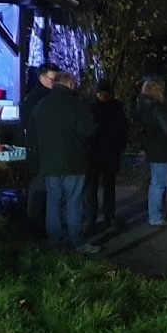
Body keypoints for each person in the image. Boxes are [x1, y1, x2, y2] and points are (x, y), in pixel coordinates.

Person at [33, 72, 98, 253]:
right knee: (73, 201)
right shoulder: (77, 105)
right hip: (74, 161)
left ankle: (54, 240)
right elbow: (89, 130)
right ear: (69, 84)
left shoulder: (42, 106)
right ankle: (76, 241)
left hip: (50, 162)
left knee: (53, 201)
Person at [20, 62, 60, 233]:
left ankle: (42, 226)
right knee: (39, 190)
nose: (55, 82)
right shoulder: (36, 100)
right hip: (39, 151)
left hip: (46, 150)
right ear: (42, 77)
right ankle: (35, 227)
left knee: (45, 191)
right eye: (53, 79)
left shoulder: (45, 97)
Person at [87, 79, 130, 230]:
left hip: (107, 151)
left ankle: (106, 216)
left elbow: (123, 129)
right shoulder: (95, 107)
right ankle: (94, 217)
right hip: (98, 152)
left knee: (106, 186)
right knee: (95, 187)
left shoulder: (97, 107)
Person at [136, 78, 167, 226]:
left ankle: (158, 213)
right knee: (160, 183)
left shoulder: (142, 106)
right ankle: (156, 215)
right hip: (163, 149)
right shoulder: (158, 108)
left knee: (157, 182)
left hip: (153, 148)